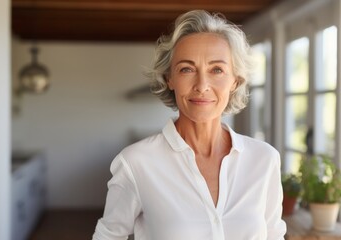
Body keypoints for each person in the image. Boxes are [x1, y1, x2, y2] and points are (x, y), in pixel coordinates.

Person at [92, 10, 286, 240]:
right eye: (187, 69)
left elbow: (273, 235)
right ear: (169, 79)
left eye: (216, 69)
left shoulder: (264, 159)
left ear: (235, 80)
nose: (202, 85)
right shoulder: (136, 163)